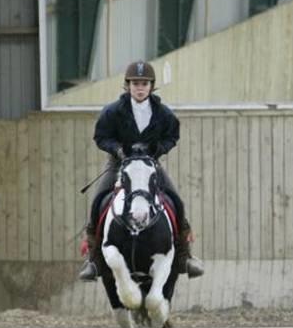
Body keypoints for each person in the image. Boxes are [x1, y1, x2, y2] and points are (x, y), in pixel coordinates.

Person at [78, 60, 205, 281]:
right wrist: (117, 149)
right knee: (98, 200)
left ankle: (184, 256)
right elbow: (101, 137)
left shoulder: (162, 112)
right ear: (128, 85)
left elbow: (172, 135)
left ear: (151, 86)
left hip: (149, 166)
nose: (140, 87)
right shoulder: (113, 111)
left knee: (176, 200)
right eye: (135, 83)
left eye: (144, 83)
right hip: (119, 165)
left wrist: (159, 149)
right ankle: (95, 259)